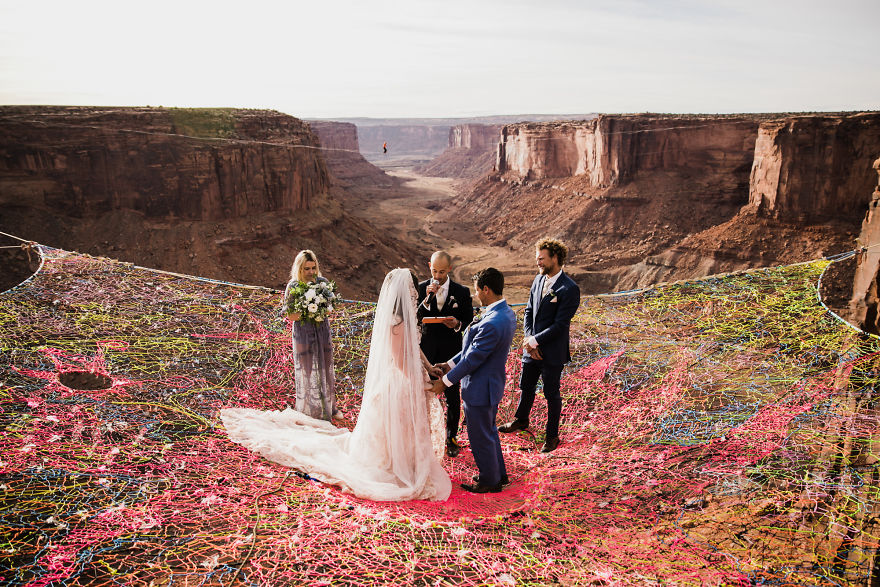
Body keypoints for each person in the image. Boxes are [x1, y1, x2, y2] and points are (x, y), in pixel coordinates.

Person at [221, 269, 451, 502]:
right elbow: (401, 360)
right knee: (394, 428)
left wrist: (428, 366)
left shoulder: (406, 319)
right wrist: (421, 384)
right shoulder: (395, 323)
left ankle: (407, 463)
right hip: (399, 383)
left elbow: (412, 346)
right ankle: (395, 465)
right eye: (413, 290)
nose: (414, 294)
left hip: (406, 379)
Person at [432, 268, 516, 493]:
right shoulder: (505, 313)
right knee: (489, 432)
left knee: (480, 436)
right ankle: (499, 474)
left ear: (486, 289)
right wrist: (449, 364)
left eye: (478, 290)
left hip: (480, 388)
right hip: (491, 385)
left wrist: (445, 382)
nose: (476, 295)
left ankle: (490, 481)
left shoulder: (492, 322)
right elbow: (472, 350)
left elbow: (472, 359)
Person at [498, 238, 580, 453]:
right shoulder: (538, 280)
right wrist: (528, 340)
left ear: (555, 258)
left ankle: (552, 436)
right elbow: (528, 311)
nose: (539, 263)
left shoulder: (569, 288)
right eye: (537, 259)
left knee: (551, 394)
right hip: (531, 349)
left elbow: (561, 324)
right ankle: (521, 420)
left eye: (542, 259)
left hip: (552, 352)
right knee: (526, 387)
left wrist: (535, 341)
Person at [417, 251, 473, 457]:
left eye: (442, 271)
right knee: (424, 392)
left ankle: (451, 438)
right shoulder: (421, 288)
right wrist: (425, 300)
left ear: (449, 269)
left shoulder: (462, 291)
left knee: (452, 395)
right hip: (427, 353)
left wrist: (457, 323)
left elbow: (469, 321)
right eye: (434, 271)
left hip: (451, 352)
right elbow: (413, 317)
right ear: (429, 266)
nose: (438, 276)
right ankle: (424, 437)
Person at [283, 250, 339, 421]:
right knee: (306, 370)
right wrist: (309, 310)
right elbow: (289, 315)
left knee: (326, 368)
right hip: (302, 333)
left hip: (322, 332)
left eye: (313, 268)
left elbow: (332, 307)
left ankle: (331, 408)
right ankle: (308, 410)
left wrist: (323, 308)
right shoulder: (293, 286)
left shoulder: (323, 283)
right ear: (299, 269)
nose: (311, 272)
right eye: (306, 269)